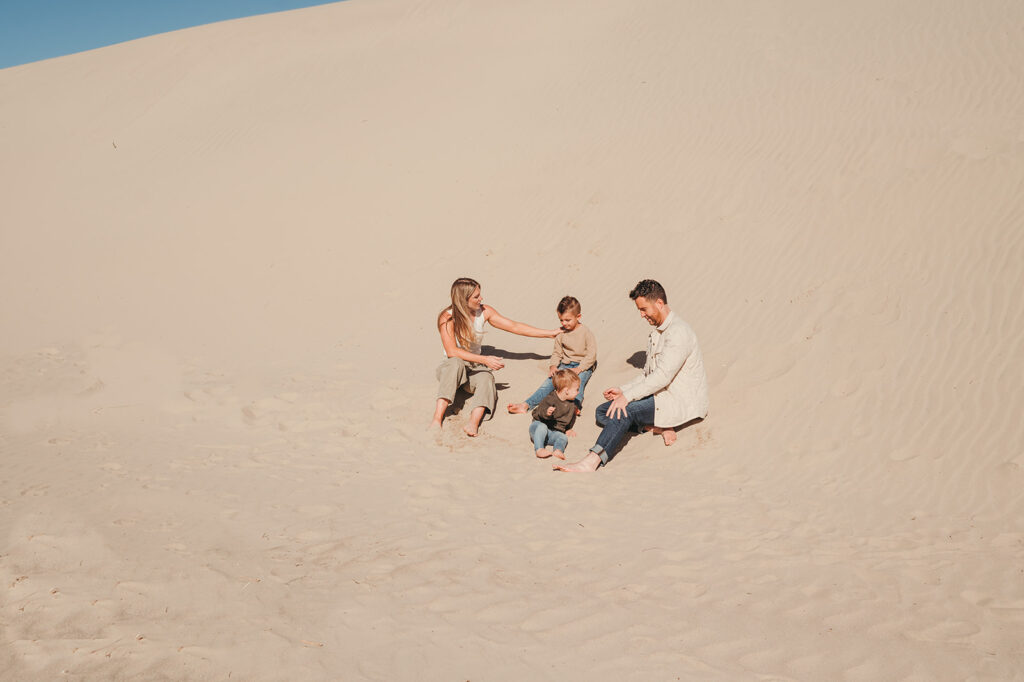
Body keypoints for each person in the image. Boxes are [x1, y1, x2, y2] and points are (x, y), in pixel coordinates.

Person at [555, 279, 709, 472]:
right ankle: (654, 427)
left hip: (677, 399)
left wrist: (627, 398)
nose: (642, 315)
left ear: (659, 304)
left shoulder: (678, 333)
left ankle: (592, 460)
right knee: (602, 411)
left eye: (644, 309)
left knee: (622, 411)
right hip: (659, 394)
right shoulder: (658, 333)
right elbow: (648, 374)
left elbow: (662, 377)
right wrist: (623, 390)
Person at [431, 277, 560, 436]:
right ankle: (437, 419)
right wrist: (485, 359)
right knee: (456, 364)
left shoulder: (484, 311)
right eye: (476, 296)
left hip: (473, 368)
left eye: (480, 294)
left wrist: (549, 334)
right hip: (451, 368)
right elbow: (452, 351)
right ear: (463, 299)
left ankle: (473, 423)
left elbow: (514, 326)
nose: (481, 299)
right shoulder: (447, 317)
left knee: (486, 378)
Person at [507, 295, 597, 414]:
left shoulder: (586, 332)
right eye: (561, 320)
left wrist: (580, 368)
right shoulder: (561, 333)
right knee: (549, 383)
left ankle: (575, 406)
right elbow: (557, 353)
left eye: (567, 320)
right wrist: (553, 366)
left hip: (583, 365)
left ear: (578, 316)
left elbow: (592, 355)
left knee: (578, 384)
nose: (564, 323)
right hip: (565, 365)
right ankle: (526, 405)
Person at [528, 369, 580, 460]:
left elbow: (570, 418)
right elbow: (539, 411)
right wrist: (547, 413)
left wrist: (568, 429)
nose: (578, 392)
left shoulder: (572, 404)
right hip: (537, 429)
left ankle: (558, 450)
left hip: (551, 433)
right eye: (577, 389)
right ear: (567, 391)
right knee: (542, 427)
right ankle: (539, 449)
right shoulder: (550, 398)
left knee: (562, 437)